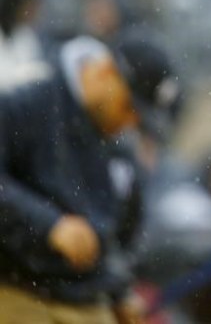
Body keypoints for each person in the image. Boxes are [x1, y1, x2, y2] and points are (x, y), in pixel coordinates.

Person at [0, 32, 183, 324]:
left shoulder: (120, 151)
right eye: (128, 106)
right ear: (104, 71)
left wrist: (119, 291)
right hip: (14, 288)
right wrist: (49, 224)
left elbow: (120, 236)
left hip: (87, 300)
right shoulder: (28, 96)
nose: (130, 121)